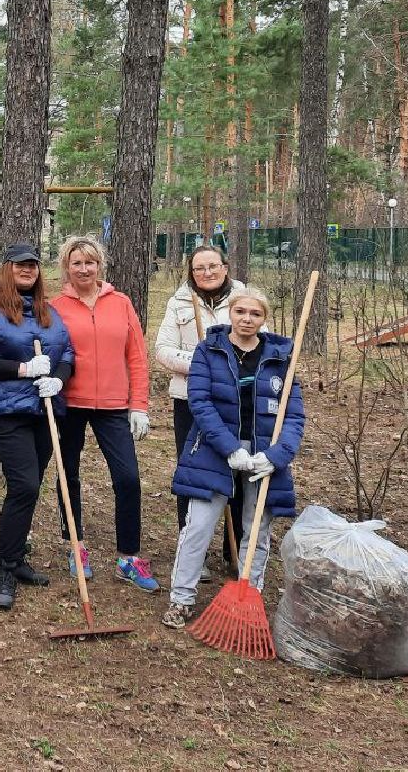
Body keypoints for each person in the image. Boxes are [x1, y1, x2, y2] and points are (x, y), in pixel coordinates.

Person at [163, 289, 306, 629]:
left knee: (255, 530)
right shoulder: (209, 350)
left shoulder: (280, 357)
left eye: (254, 314)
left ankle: (248, 597)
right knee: (197, 526)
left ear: (263, 318)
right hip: (213, 449)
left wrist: (275, 457)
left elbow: (294, 416)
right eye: (240, 311)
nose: (246, 319)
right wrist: (231, 449)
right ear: (231, 313)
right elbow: (200, 403)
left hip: (263, 453)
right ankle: (181, 600)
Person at [0, 243, 74, 610]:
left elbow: (67, 352)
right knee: (24, 483)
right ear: (7, 269)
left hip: (44, 408)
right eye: (20, 265)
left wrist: (57, 378)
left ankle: (17, 557)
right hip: (5, 409)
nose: (28, 271)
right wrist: (22, 369)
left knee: (30, 487)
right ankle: (5, 567)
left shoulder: (48, 313)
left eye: (33, 266)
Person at [48, 234, 158, 593]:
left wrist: (139, 405)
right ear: (67, 266)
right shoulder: (56, 306)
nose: (83, 269)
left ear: (100, 265)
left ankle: (128, 557)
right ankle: (75, 546)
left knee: (127, 478)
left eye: (90, 262)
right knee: (69, 476)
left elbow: (137, 358)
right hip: (70, 403)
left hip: (113, 405)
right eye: (76, 262)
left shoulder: (121, 303)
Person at [154, 245, 248, 576]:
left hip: (236, 402)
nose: (206, 273)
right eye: (199, 268)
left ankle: (235, 552)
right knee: (193, 471)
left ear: (225, 267)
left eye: (213, 266)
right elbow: (162, 350)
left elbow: (259, 344)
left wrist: (228, 367)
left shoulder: (244, 300)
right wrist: (200, 364)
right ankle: (194, 552)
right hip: (190, 401)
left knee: (236, 472)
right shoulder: (179, 301)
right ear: (191, 272)